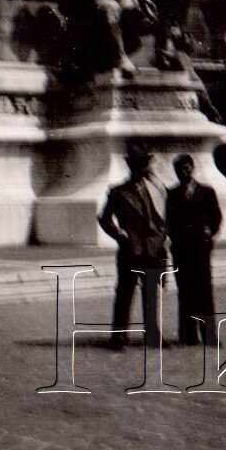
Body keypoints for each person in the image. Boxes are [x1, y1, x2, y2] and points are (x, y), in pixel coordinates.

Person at [98, 147, 169, 350]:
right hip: (130, 249)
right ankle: (119, 337)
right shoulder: (119, 191)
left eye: (145, 163)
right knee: (124, 294)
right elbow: (104, 219)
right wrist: (120, 235)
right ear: (133, 166)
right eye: (141, 163)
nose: (145, 168)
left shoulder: (155, 189)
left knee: (151, 294)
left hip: (152, 250)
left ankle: (152, 334)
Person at [165, 154, 223, 346]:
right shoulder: (172, 194)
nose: (185, 171)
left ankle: (209, 335)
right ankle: (188, 335)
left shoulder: (207, 191)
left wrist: (209, 232)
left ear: (193, 168)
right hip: (182, 249)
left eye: (187, 167)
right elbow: (169, 221)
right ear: (176, 171)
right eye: (180, 168)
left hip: (200, 247)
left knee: (205, 291)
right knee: (185, 291)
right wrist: (175, 238)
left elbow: (216, 216)